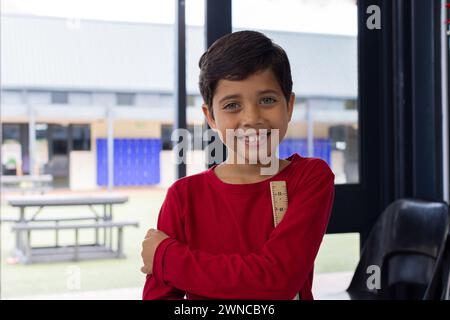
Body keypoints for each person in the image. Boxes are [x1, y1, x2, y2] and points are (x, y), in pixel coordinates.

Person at [141, 30, 335, 300]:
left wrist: (166, 257)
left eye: (267, 100)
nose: (252, 118)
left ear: (289, 106)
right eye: (232, 105)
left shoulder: (310, 178)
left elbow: (277, 283)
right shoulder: (184, 196)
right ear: (210, 117)